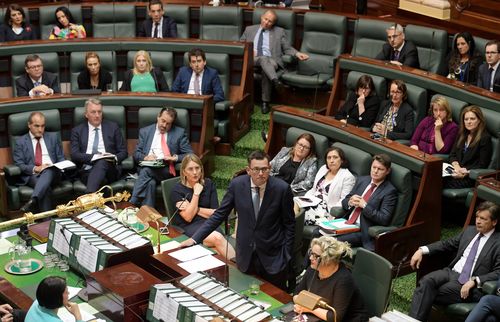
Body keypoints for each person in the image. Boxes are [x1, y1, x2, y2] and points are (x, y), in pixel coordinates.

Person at [181, 150, 295, 291]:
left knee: (276, 298)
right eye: (256, 169)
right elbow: (220, 215)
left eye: (265, 169)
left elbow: (290, 224)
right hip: (246, 257)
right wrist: (194, 239)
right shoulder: (237, 185)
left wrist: (286, 254)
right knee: (246, 296)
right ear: (248, 170)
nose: (261, 173)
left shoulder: (282, 189)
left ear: (269, 169)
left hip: (274, 259)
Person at [409, 201, 500, 322]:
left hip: (469, 284)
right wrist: (422, 250)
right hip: (451, 272)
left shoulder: (498, 242)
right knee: (426, 281)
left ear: (494, 222)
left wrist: (475, 280)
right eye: (477, 217)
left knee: (427, 292)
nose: (478, 221)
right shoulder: (470, 231)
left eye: (483, 219)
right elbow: (447, 244)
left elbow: (498, 272)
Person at [240, 10, 309, 114]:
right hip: (252, 59)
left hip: (272, 60)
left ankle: (265, 102)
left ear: (273, 23)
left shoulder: (279, 32)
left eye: (270, 21)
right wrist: (248, 51)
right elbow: (239, 45)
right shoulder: (249, 29)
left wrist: (297, 54)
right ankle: (275, 82)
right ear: (261, 17)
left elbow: (287, 48)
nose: (266, 22)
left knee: (266, 67)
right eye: (265, 19)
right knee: (263, 59)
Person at [171, 154, 236, 259]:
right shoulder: (177, 190)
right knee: (218, 239)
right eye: (190, 169)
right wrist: (196, 193)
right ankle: (237, 265)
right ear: (184, 172)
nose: (195, 172)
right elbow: (188, 217)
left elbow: (216, 213)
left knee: (217, 250)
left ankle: (232, 269)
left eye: (197, 168)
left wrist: (193, 207)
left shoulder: (209, 184)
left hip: (210, 224)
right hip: (189, 227)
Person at [294, 236, 368, 322]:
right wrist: (302, 305)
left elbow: (335, 317)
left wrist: (309, 308)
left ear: (328, 259)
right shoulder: (312, 269)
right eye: (311, 253)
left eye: (316, 256)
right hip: (321, 315)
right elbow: (296, 294)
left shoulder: (344, 279)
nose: (310, 258)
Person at [130, 107, 193, 207]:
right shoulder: (145, 131)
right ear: (158, 117)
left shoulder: (179, 133)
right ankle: (148, 215)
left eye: (168, 123)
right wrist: (145, 157)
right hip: (146, 167)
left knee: (146, 171)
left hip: (165, 169)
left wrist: (174, 158)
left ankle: (132, 202)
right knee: (150, 183)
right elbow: (136, 154)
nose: (164, 125)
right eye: (163, 121)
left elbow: (190, 154)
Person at [335, 154, 397, 251]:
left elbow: (383, 218)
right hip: (345, 224)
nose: (375, 171)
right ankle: (306, 266)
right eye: (374, 167)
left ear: (387, 171)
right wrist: (350, 202)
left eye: (380, 169)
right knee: (317, 233)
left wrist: (364, 205)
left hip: (362, 231)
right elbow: (345, 201)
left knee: (330, 242)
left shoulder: (390, 191)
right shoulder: (362, 180)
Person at [70, 98, 127, 193]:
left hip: (110, 169)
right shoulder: (77, 131)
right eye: (93, 112)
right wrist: (95, 157)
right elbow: (75, 155)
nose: (97, 115)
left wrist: (113, 157)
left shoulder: (113, 127)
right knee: (100, 178)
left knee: (102, 162)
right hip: (86, 171)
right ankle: (95, 202)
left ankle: (88, 197)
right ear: (86, 114)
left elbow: (123, 152)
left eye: (99, 112)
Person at [14, 112, 66, 213]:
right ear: (29, 125)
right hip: (34, 175)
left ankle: (33, 200)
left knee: (49, 169)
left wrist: (60, 166)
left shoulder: (53, 137)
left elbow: (61, 158)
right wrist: (35, 168)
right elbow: (19, 165)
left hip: (54, 173)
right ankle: (46, 221)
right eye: (37, 126)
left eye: (43, 126)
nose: (40, 129)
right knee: (45, 188)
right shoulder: (20, 142)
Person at [302, 147, 355, 226]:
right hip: (311, 201)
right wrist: (304, 199)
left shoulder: (347, 177)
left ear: (342, 160)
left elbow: (344, 200)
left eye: (335, 157)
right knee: (292, 204)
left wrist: (332, 213)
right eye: (329, 158)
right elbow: (313, 189)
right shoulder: (323, 169)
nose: (331, 160)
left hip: (326, 209)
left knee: (297, 215)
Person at [445, 106, 492, 189]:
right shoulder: (462, 134)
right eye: (466, 119)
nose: (469, 122)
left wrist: (465, 172)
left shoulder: (485, 138)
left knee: (439, 183)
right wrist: (457, 167)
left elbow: (482, 165)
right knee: (433, 177)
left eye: (472, 119)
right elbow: (452, 154)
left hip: (469, 177)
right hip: (455, 172)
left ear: (479, 120)